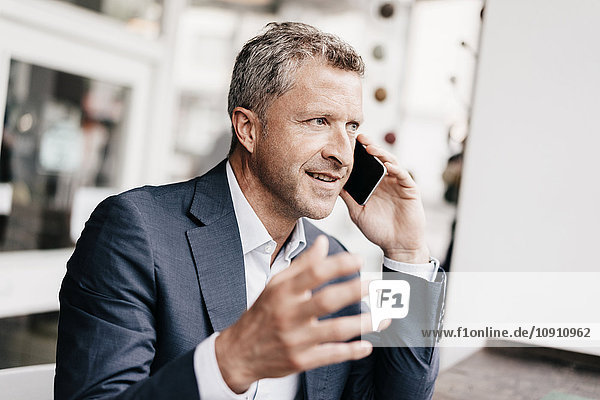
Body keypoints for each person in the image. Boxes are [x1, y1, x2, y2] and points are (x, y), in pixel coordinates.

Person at [55, 22, 445, 399]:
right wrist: (228, 362)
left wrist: (407, 256)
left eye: (352, 127)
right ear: (248, 130)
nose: (342, 154)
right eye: (319, 121)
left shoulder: (330, 263)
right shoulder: (136, 232)